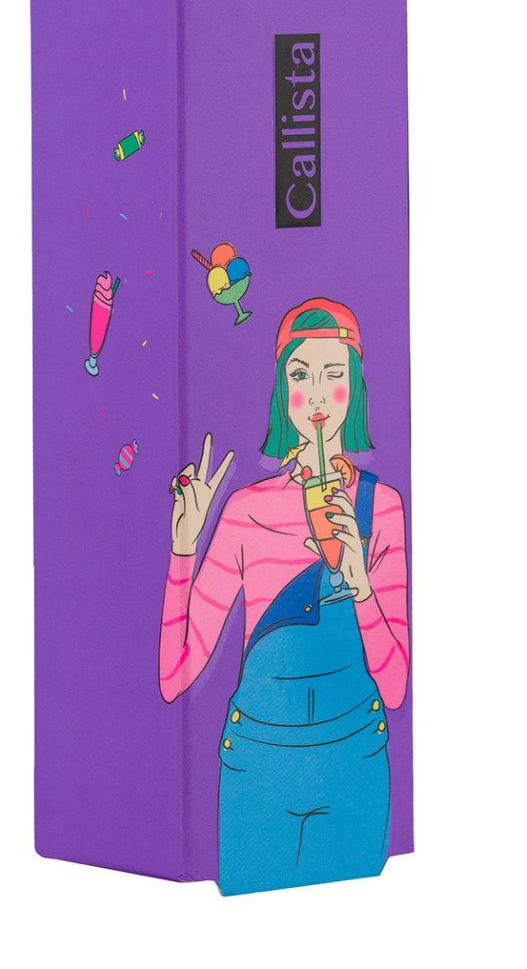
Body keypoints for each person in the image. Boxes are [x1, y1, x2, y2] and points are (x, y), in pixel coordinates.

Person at [159, 298, 410, 894]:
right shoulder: (245, 511)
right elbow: (176, 674)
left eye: (333, 374)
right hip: (258, 766)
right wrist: (183, 549)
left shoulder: (381, 508)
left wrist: (361, 584)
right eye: (301, 376)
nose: (317, 394)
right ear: (283, 393)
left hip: (354, 761)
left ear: (354, 388)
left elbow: (397, 687)